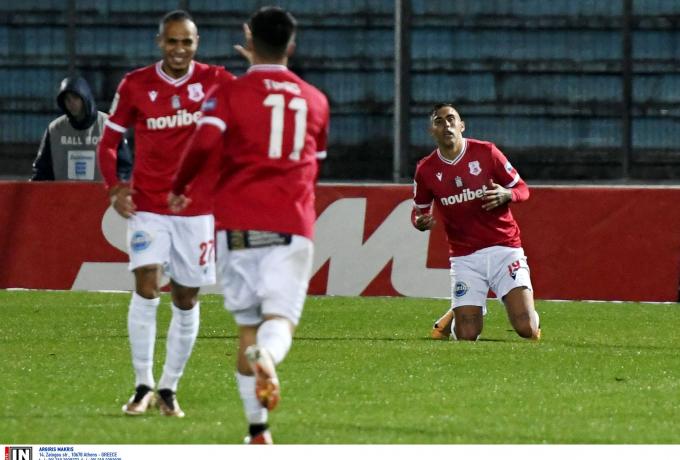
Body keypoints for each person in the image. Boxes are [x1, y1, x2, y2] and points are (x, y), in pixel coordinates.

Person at [169, 6, 329, 444]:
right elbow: (315, 166)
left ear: (248, 39)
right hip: (290, 225)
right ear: (291, 46)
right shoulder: (316, 100)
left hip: (237, 227)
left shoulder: (230, 93)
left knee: (247, 327)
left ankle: (257, 430)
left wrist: (179, 186)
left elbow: (203, 143)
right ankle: (269, 359)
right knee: (279, 320)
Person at [96, 10, 234, 417]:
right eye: (172, 41)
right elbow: (108, 142)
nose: (179, 49)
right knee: (146, 283)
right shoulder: (136, 84)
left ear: (197, 43)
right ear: (160, 42)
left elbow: (248, 117)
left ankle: (169, 389)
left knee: (187, 297)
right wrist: (114, 187)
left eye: (186, 42)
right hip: (149, 205)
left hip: (197, 209)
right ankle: (142, 385)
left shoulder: (217, 80)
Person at [412, 103, 540, 342]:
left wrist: (507, 194)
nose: (446, 125)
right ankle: (460, 312)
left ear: (462, 125)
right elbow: (418, 212)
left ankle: (468, 307)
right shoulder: (426, 170)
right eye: (439, 121)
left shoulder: (486, 152)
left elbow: (522, 189)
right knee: (467, 335)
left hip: (505, 249)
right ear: (432, 131)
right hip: (465, 257)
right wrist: (420, 222)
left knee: (527, 329)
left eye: (451, 119)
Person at [31, 76, 132, 181]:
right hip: (64, 191)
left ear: (85, 97)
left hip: (100, 191)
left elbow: (124, 167)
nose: (71, 103)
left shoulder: (109, 126)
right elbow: (41, 170)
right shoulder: (54, 129)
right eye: (67, 99)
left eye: (75, 98)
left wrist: (116, 187)